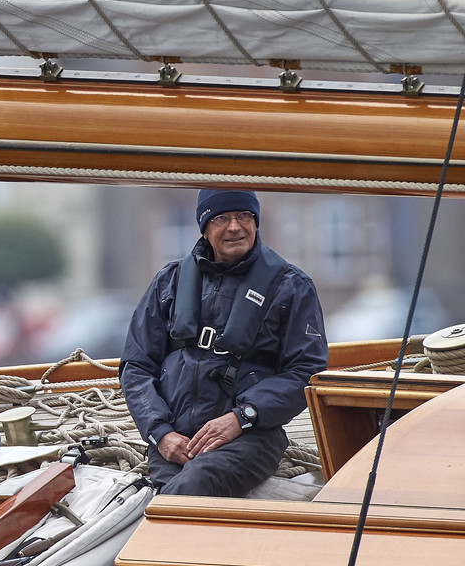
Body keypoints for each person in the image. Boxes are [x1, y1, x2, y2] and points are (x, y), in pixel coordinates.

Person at [121, 187, 327, 497]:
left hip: (249, 439)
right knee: (171, 499)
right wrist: (161, 434)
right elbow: (136, 366)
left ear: (256, 221)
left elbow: (305, 371)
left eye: (244, 215)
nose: (235, 226)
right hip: (175, 441)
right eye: (221, 218)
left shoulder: (291, 286)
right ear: (204, 228)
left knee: (187, 492)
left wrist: (243, 416)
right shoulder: (170, 282)